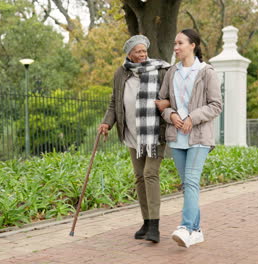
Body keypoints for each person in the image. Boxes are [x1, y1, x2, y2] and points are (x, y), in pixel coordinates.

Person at [99, 35, 170, 243]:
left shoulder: (160, 70)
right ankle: (146, 222)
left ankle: (155, 226)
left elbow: (171, 96)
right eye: (138, 51)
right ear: (129, 54)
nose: (143, 54)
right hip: (132, 133)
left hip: (155, 133)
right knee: (139, 176)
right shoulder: (121, 74)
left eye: (144, 51)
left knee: (150, 173)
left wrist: (166, 103)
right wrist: (106, 123)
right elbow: (114, 101)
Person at [155, 29, 222, 248]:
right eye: (175, 43)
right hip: (177, 137)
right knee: (187, 185)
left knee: (192, 182)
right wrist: (171, 115)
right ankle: (197, 230)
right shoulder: (171, 72)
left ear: (193, 45)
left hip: (199, 137)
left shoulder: (207, 72)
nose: (176, 47)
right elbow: (162, 102)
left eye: (180, 43)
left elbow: (216, 105)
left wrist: (193, 117)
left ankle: (185, 227)